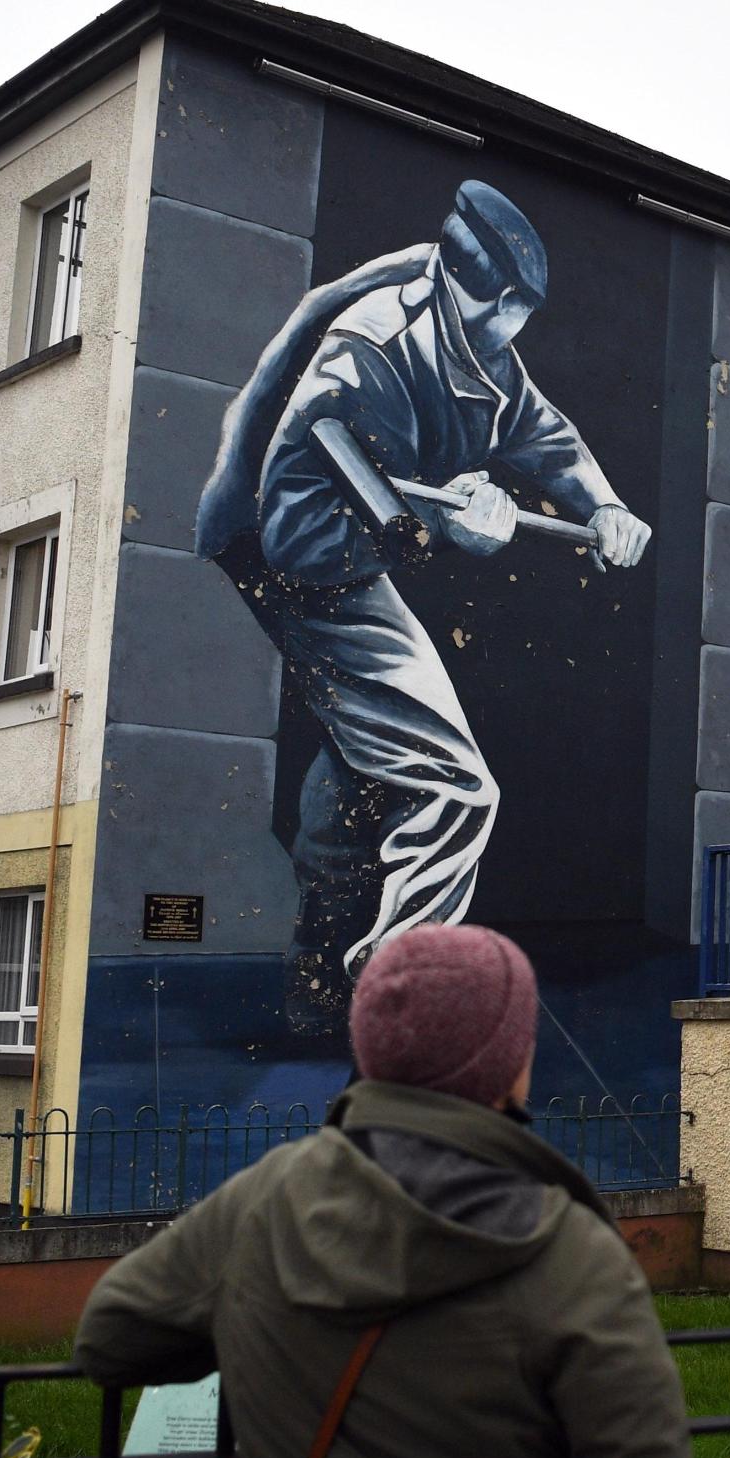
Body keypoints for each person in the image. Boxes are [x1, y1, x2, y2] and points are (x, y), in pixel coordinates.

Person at [73, 923, 709, 1458]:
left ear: (372, 1050)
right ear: (508, 1064)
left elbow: (111, 1337)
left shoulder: (262, 1207)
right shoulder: (572, 1254)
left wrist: (251, 1325)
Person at [193, 182, 651, 1037]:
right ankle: (396, 993)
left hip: (324, 547)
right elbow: (303, 542)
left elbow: (542, 433)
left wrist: (604, 508)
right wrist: (439, 526)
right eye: (509, 314)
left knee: (365, 764)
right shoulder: (366, 359)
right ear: (496, 301)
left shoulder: (466, 335)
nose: (514, 335)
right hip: (290, 556)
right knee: (456, 788)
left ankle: (317, 984)